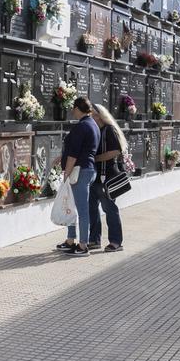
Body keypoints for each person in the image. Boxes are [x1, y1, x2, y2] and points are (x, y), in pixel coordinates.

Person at [57, 97, 99, 256]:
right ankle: (70, 241)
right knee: (72, 208)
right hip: (88, 169)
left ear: (77, 108)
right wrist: (60, 159)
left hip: (79, 172)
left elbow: (73, 155)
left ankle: (83, 245)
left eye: (73, 108)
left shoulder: (81, 126)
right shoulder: (93, 124)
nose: (72, 111)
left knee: (81, 210)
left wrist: (66, 173)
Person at [88, 103, 125, 252]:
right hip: (93, 177)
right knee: (92, 209)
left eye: (94, 115)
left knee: (109, 209)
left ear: (101, 115)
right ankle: (94, 239)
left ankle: (116, 241)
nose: (92, 117)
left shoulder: (109, 130)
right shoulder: (94, 130)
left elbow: (116, 151)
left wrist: (96, 158)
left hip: (107, 176)